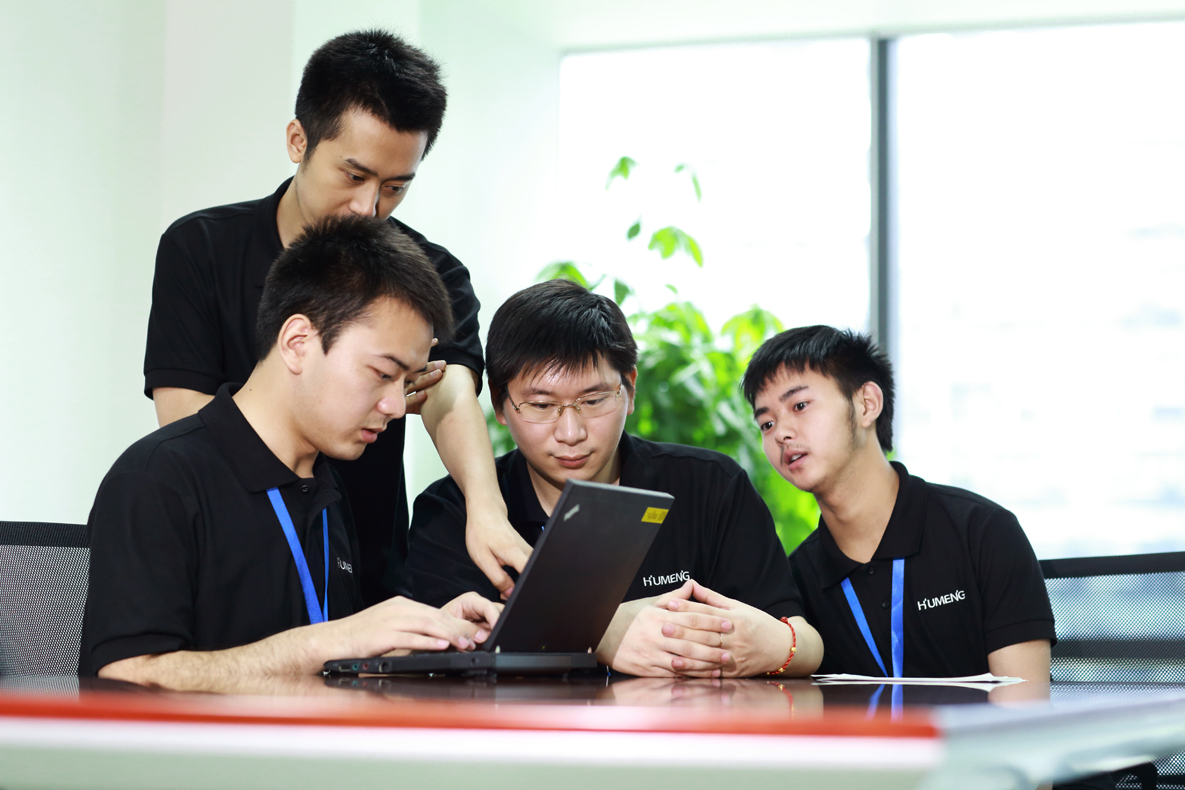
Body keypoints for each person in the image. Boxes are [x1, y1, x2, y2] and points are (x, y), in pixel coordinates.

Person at [142, 29, 528, 608]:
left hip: (367, 565)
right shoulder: (202, 249)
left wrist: (485, 507)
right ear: (298, 140)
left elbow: (449, 394)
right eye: (353, 176)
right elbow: (183, 421)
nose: (368, 208)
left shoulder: (435, 273)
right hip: (232, 559)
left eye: (395, 187)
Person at [80, 217, 500, 686]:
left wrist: (421, 636)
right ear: (298, 343)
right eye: (383, 374)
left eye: (407, 381)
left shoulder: (325, 486)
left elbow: (322, 664)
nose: (397, 406)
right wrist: (327, 641)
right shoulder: (157, 480)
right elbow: (125, 676)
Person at [403, 280, 823, 678]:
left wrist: (775, 646)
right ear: (500, 403)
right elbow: (432, 662)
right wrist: (595, 632)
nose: (571, 433)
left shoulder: (710, 486)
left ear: (630, 389)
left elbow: (805, 642)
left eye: (594, 400)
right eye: (542, 405)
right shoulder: (453, 511)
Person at [741, 326, 1054, 681]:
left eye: (799, 406)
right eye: (766, 423)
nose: (781, 433)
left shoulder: (983, 533)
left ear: (867, 404)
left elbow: (1022, 705)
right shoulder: (795, 583)